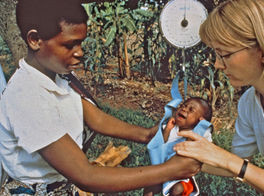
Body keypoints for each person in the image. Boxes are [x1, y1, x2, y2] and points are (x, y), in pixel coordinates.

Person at [0, 0, 201, 195]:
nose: (80, 52)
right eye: (70, 44)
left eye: (81, 43)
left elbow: (95, 118)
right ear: (35, 40)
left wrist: (148, 134)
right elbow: (86, 176)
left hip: (61, 185)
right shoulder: (27, 96)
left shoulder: (57, 74)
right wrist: (172, 170)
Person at [173, 0, 264, 195]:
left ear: (263, 51)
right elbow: (233, 161)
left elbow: (234, 163)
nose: (217, 64)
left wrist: (232, 162)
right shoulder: (250, 104)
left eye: (224, 54)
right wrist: (184, 155)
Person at [144, 97, 213, 196]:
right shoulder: (173, 127)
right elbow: (161, 143)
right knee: (149, 187)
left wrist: (201, 127)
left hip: (182, 174)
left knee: (177, 190)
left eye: (191, 110)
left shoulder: (199, 134)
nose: (184, 109)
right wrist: (167, 129)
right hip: (162, 169)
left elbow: (206, 146)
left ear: (200, 121)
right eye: (183, 106)